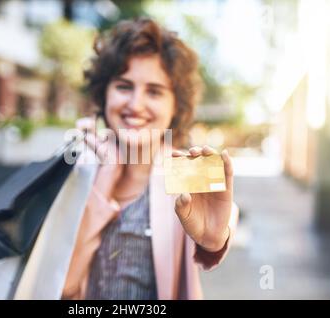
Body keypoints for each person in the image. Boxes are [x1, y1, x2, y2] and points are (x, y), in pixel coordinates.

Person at [61, 17, 239, 300]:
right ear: (104, 94)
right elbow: (61, 285)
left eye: (154, 91)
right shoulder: (78, 168)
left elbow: (224, 218)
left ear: (175, 106)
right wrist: (102, 180)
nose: (136, 104)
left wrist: (216, 239)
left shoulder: (186, 169)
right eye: (123, 86)